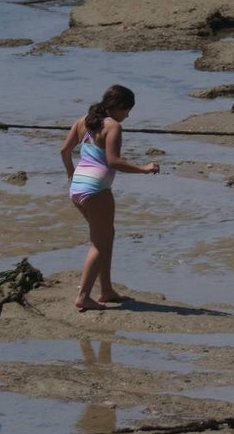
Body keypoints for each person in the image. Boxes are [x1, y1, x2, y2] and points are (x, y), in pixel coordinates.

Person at [60, 85, 160, 311]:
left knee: (106, 236)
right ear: (117, 106)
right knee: (99, 243)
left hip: (77, 189)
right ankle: (83, 296)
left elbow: (64, 151)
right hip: (96, 191)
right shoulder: (113, 126)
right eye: (127, 110)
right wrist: (144, 169)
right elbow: (113, 161)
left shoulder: (83, 121)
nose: (128, 115)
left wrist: (71, 173)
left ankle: (106, 290)